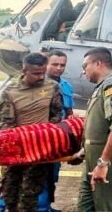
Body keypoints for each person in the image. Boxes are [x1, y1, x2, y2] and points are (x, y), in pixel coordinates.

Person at [0, 52, 63, 212]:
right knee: (9, 194)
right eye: (35, 73)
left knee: (29, 197)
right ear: (24, 71)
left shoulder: (52, 87)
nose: (41, 77)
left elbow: (55, 118)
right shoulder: (10, 92)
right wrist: (20, 146)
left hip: (38, 151)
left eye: (43, 72)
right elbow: (6, 125)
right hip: (15, 150)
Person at [75, 47, 112, 212]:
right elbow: (98, 126)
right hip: (95, 159)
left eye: (85, 66)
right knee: (84, 207)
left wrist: (103, 162)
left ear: (98, 63)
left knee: (109, 207)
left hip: (109, 161)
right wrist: (84, 150)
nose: (83, 71)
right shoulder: (101, 88)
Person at [46, 50, 74, 212]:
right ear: (46, 64)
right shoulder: (40, 85)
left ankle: (47, 206)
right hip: (43, 136)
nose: (59, 68)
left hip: (59, 138)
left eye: (62, 65)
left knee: (53, 175)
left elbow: (69, 111)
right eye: (54, 64)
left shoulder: (66, 86)